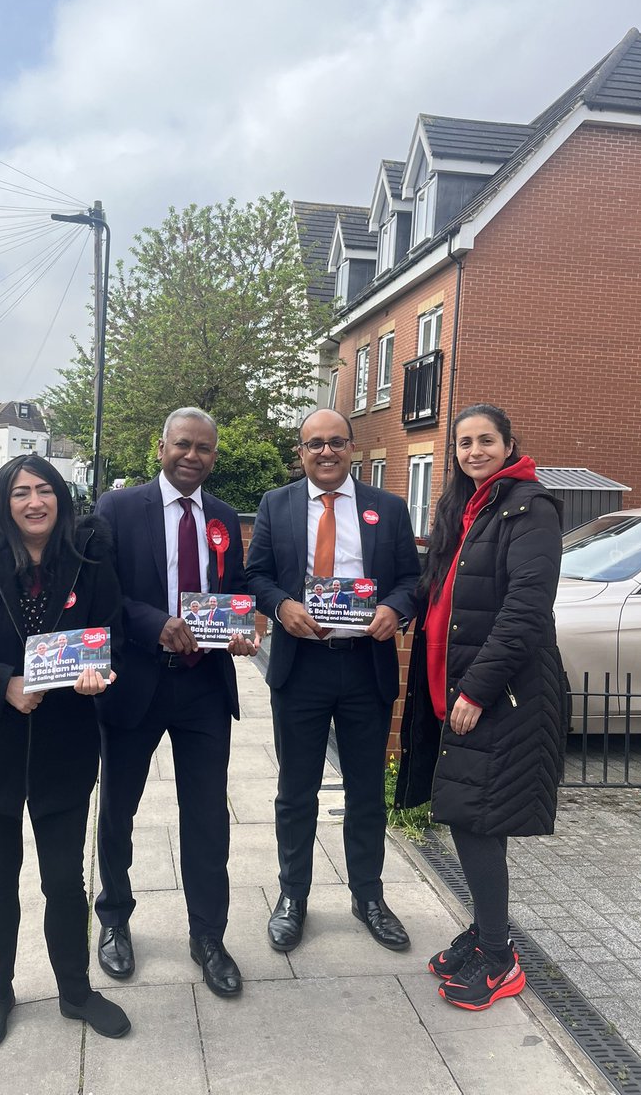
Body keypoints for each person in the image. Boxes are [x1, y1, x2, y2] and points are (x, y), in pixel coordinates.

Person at [0, 454, 131, 1050]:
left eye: (44, 490)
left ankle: (75, 990)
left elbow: (112, 636)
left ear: (60, 497)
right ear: (3, 504)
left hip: (64, 752)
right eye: (19, 493)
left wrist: (99, 674)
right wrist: (0, 683)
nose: (34, 502)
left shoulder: (88, 560)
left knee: (64, 881)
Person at [395, 404, 566, 1010]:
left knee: (476, 819)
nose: (473, 452)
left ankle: (500, 958)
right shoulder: (468, 507)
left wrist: (475, 692)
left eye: (485, 441)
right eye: (464, 443)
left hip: (499, 695)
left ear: (508, 444)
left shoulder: (530, 508)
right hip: (460, 682)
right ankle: (485, 931)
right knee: (468, 813)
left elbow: (525, 611)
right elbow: (443, 588)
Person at [94, 407, 258, 998]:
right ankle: (113, 919)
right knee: (118, 808)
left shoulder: (219, 516)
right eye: (183, 445)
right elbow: (101, 595)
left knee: (208, 816)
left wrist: (240, 628)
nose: (193, 456)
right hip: (136, 681)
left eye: (204, 449)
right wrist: (154, 623)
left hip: (202, 686)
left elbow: (232, 590)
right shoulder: (117, 509)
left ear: (215, 456)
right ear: (160, 447)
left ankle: (208, 936)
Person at [246, 408, 420, 955]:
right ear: (300, 452)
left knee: (366, 789)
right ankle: (292, 897)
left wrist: (396, 609)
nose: (326, 452)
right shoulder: (277, 504)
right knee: (295, 790)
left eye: (336, 442)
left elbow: (414, 579)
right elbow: (255, 574)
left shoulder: (387, 509)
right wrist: (281, 607)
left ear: (351, 448)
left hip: (365, 664)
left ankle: (368, 897)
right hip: (302, 666)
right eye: (314, 444)